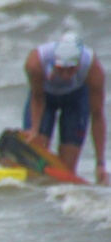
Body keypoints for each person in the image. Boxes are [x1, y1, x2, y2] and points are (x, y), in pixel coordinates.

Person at [23, 32, 107, 185]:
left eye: (71, 69)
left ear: (79, 63)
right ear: (54, 62)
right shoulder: (35, 62)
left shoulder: (93, 70)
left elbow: (97, 116)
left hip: (75, 100)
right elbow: (37, 97)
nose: (66, 75)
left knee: (66, 169)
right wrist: (34, 129)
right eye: (61, 69)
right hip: (44, 99)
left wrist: (100, 163)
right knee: (37, 151)